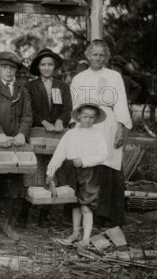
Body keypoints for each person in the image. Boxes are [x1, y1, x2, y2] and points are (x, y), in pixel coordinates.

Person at [70, 40, 132, 227]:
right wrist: (74, 126)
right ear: (88, 55)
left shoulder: (114, 76)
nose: (97, 58)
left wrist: (121, 127)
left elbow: (120, 102)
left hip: (108, 125)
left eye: (101, 55)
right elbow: (74, 106)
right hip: (86, 124)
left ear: (106, 57)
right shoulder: (79, 78)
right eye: (94, 54)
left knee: (106, 165)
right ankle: (86, 212)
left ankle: (106, 216)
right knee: (86, 166)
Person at [0, 51, 32, 240]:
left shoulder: (22, 90)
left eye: (12, 68)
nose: (9, 71)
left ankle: (9, 224)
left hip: (16, 145)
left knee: (14, 185)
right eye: (5, 67)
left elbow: (27, 116)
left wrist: (22, 133)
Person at [22, 49, 73, 227]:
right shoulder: (29, 86)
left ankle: (44, 216)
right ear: (38, 67)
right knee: (33, 172)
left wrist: (60, 120)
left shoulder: (62, 86)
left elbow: (68, 109)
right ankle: (24, 214)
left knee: (52, 172)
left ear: (55, 67)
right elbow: (28, 111)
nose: (46, 68)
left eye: (50, 64)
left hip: (56, 136)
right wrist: (43, 122)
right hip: (37, 132)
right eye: (43, 64)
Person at [46, 101, 108, 247]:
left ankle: (86, 239)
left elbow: (103, 155)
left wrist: (85, 160)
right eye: (85, 116)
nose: (88, 120)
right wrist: (50, 171)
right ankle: (75, 233)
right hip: (71, 171)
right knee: (75, 203)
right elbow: (59, 154)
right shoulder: (70, 134)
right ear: (78, 116)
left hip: (90, 172)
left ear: (96, 118)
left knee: (86, 205)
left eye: (92, 117)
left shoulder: (98, 135)